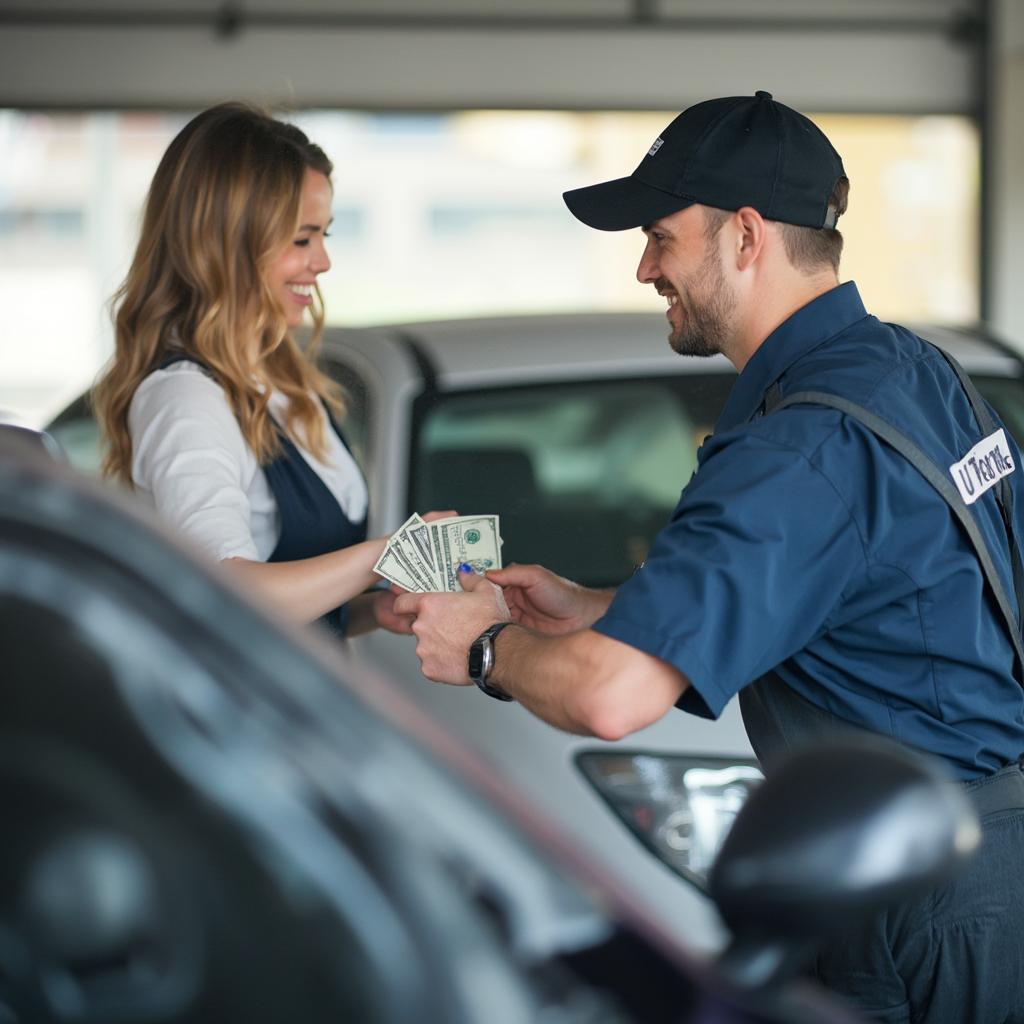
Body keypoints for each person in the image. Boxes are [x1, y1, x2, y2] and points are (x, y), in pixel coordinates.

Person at [393, 91, 1024, 1022]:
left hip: (917, 905)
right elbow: (855, 585)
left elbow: (611, 699)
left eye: (661, 236)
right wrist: (602, 606)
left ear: (745, 235)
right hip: (979, 868)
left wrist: (484, 649)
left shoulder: (798, 446)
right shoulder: (911, 370)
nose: (646, 267)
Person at [95, 103, 448, 635]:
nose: (323, 262)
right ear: (226, 245)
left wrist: (369, 610)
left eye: (325, 235)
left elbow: (305, 608)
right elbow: (224, 596)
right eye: (302, 239)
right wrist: (390, 554)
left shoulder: (283, 382)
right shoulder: (186, 398)